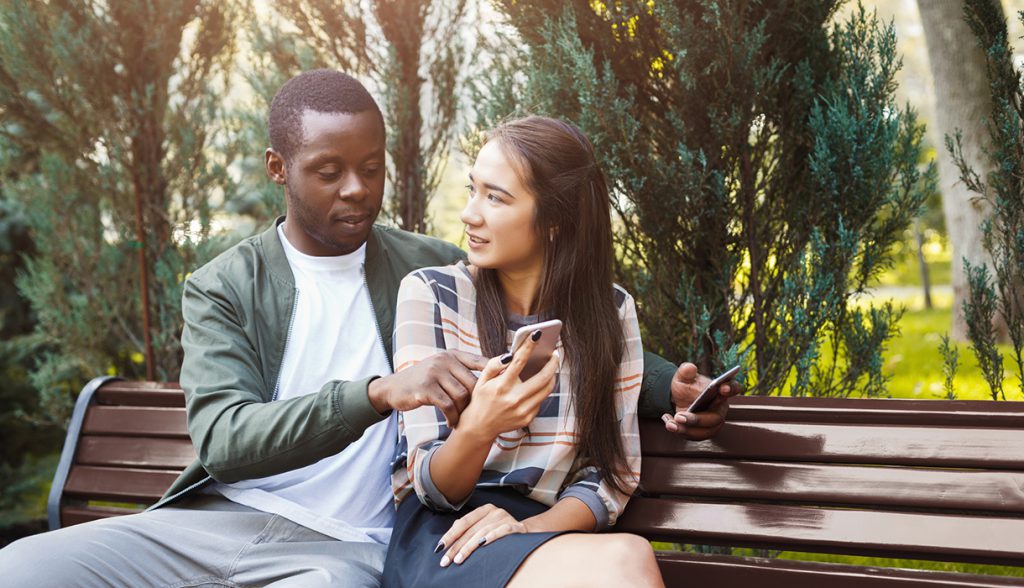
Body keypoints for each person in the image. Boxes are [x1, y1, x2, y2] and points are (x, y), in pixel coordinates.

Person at [0, 70, 736, 587]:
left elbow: (550, 312)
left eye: (372, 169)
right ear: (278, 169)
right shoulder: (226, 285)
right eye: (328, 171)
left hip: (348, 548)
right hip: (218, 519)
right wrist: (379, 393)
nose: (357, 189)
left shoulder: (432, 266)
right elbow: (225, 443)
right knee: (20, 569)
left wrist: (662, 383)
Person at [383, 116, 666, 587]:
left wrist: (526, 528)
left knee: (627, 556)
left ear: (554, 219)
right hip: (447, 535)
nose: (470, 214)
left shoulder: (610, 312)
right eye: (474, 190)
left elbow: (610, 477)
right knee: (625, 561)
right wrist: (481, 425)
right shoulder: (431, 293)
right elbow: (431, 487)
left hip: (548, 531)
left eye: (495, 198)